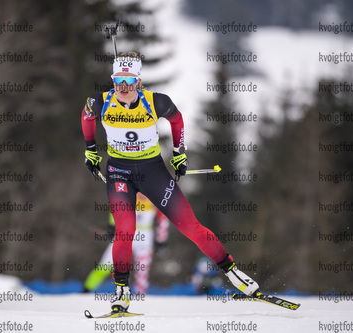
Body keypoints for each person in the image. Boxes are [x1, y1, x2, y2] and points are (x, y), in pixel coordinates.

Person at [81, 51, 259, 312]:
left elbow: (177, 120)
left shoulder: (157, 102)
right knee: (125, 231)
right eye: (119, 81)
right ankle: (121, 291)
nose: (124, 88)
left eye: (130, 82)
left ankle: (233, 273)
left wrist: (179, 153)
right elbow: (86, 117)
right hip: (119, 172)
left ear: (139, 82)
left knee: (191, 227)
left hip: (152, 171)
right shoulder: (100, 102)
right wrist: (90, 149)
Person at [83, 193, 169, 295]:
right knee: (106, 265)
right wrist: (112, 227)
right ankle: (86, 290)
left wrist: (161, 240)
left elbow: (163, 218)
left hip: (144, 237)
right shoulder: (129, 193)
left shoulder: (155, 197)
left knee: (142, 269)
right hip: (125, 233)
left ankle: (140, 296)